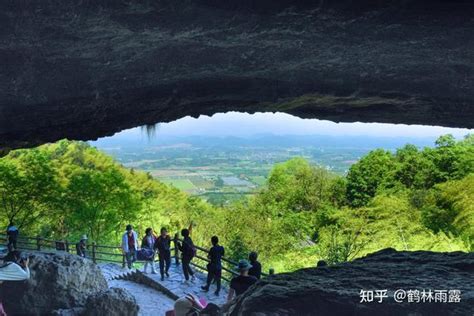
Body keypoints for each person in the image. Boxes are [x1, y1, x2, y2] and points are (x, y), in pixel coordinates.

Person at [0, 250, 30, 316]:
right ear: (16, 258)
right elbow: (26, 276)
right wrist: (26, 266)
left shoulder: (6, 264)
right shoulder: (13, 266)